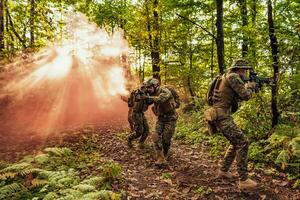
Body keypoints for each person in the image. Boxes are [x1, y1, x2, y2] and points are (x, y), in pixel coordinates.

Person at [204, 58, 258, 190]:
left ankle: (223, 171)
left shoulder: (224, 77)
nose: (246, 73)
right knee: (242, 142)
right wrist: (250, 86)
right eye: (245, 70)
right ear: (240, 69)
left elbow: (236, 97)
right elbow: (245, 96)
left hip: (219, 114)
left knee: (236, 142)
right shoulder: (233, 76)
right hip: (222, 116)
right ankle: (244, 180)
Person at [143, 78, 179, 165]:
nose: (148, 89)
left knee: (166, 140)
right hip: (160, 118)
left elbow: (160, 99)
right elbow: (147, 103)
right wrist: (142, 97)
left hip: (170, 119)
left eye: (149, 87)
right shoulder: (152, 93)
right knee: (155, 135)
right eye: (147, 87)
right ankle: (160, 157)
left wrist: (147, 97)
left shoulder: (165, 91)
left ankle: (165, 154)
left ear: (155, 86)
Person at [126, 84, 150, 149]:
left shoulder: (147, 93)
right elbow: (138, 98)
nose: (149, 89)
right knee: (139, 131)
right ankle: (129, 138)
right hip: (136, 114)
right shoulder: (138, 92)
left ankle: (141, 143)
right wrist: (145, 96)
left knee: (146, 130)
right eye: (148, 88)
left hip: (141, 113)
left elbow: (149, 101)